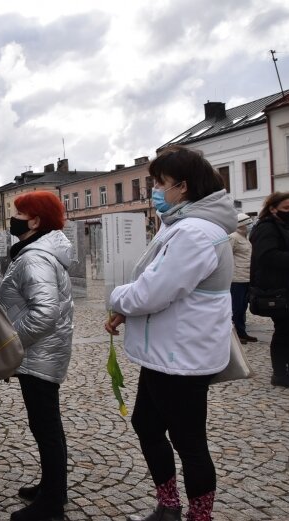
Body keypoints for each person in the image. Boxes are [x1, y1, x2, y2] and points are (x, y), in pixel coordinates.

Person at [104, 146, 236, 521]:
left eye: (159, 183)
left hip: (181, 357)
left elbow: (153, 291)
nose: (154, 191)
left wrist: (117, 299)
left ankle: (198, 515)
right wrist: (126, 311)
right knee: (146, 423)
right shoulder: (184, 225)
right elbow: (166, 289)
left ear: (183, 186)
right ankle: (168, 504)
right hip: (167, 352)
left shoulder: (195, 232)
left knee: (190, 443)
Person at [0, 191, 73, 521]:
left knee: (46, 428)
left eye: (17, 213)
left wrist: (12, 344)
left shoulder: (34, 258)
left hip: (38, 354)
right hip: (43, 352)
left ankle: (52, 505)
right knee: (47, 426)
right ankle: (52, 488)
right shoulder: (37, 251)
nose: (12, 218)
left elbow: (44, 313)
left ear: (36, 221)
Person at [249, 191, 289, 387]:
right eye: (286, 208)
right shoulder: (266, 228)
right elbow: (267, 256)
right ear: (273, 209)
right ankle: (280, 373)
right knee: (283, 330)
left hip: (283, 287)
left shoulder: (283, 226)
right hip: (277, 290)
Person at [229, 213, 257, 343]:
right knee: (236, 307)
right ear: (242, 225)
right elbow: (227, 256)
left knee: (243, 308)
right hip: (236, 279)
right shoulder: (233, 237)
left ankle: (242, 332)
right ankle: (236, 335)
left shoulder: (245, 238)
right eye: (248, 223)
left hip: (246, 277)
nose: (251, 225)